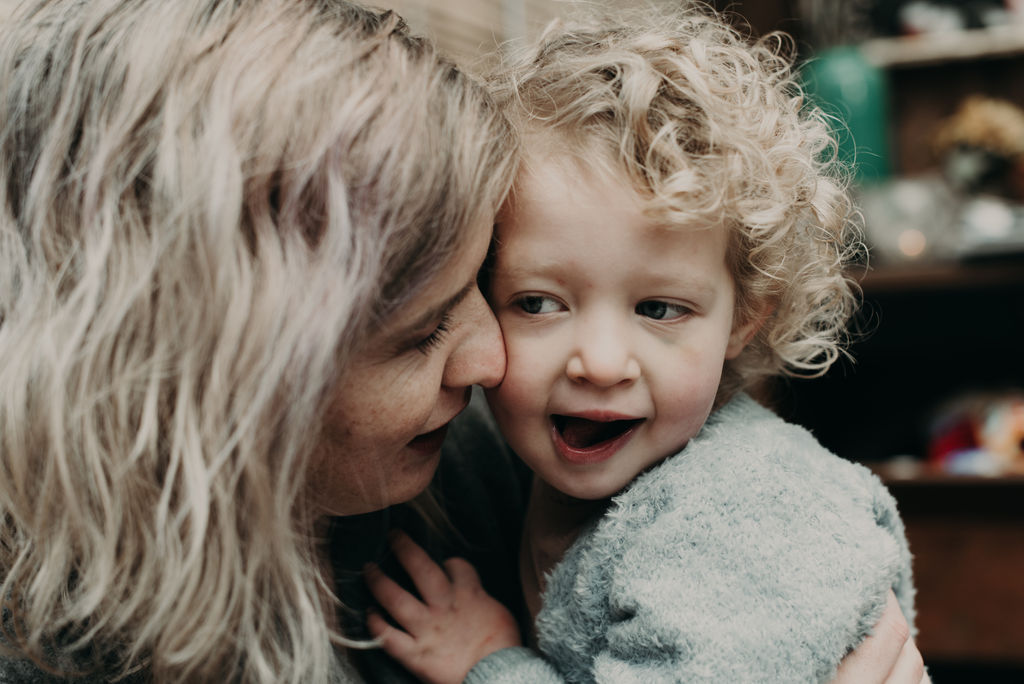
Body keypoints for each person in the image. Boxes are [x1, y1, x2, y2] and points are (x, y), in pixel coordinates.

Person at [0, 0, 921, 682]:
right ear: (227, 380)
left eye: (661, 309)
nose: (490, 366)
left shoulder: (705, 510)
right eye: (425, 329)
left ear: (745, 315)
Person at [364, 5, 928, 683]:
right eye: (539, 303)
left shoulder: (744, 526)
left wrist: (490, 663)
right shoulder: (571, 481)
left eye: (659, 308)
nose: (600, 363)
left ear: (746, 316)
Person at [0, 1, 516, 681]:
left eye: (484, 278)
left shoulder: (477, 468)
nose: (494, 361)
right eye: (421, 334)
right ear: (204, 379)